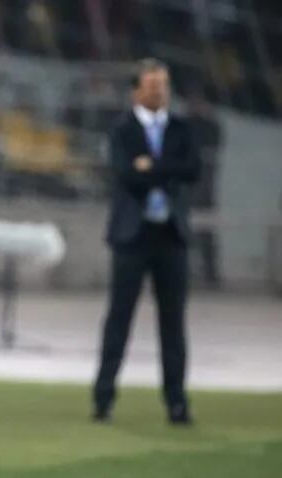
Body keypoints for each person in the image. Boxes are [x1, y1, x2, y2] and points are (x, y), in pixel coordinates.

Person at [93, 59, 200, 425]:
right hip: (132, 235)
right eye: (153, 86)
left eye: (164, 86)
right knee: (119, 318)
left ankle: (177, 402)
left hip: (171, 234)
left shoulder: (181, 128)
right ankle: (103, 397)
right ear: (137, 90)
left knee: (173, 323)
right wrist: (165, 169)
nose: (159, 92)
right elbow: (126, 175)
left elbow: (193, 170)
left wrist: (150, 166)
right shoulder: (122, 129)